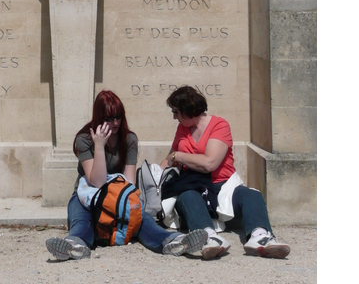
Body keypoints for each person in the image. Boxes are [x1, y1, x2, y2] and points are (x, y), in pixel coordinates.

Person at [45, 90, 207, 260]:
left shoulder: (129, 139)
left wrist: (123, 206)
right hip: (87, 196)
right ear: (99, 117)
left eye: (118, 116)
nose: (115, 122)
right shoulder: (85, 139)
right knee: (82, 220)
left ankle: (173, 241)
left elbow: (129, 181)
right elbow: (97, 182)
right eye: (109, 118)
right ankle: (74, 245)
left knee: (142, 218)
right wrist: (99, 146)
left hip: (119, 196)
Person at [161, 86, 291, 260]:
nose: (174, 116)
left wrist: (180, 156)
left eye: (176, 111)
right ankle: (208, 237)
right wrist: (156, 175)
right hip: (193, 185)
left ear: (187, 109)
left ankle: (261, 237)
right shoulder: (182, 129)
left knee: (252, 195)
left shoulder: (219, 125)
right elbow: (171, 156)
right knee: (187, 197)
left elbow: (210, 163)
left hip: (223, 185)